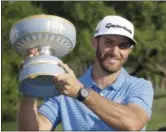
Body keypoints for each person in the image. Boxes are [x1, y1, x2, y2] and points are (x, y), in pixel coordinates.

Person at [18, 15, 154, 131]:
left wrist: (81, 93)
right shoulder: (65, 88)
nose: (115, 51)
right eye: (109, 42)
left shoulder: (140, 86)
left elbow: (133, 122)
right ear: (95, 42)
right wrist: (30, 86)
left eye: (123, 46)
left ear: (130, 50)